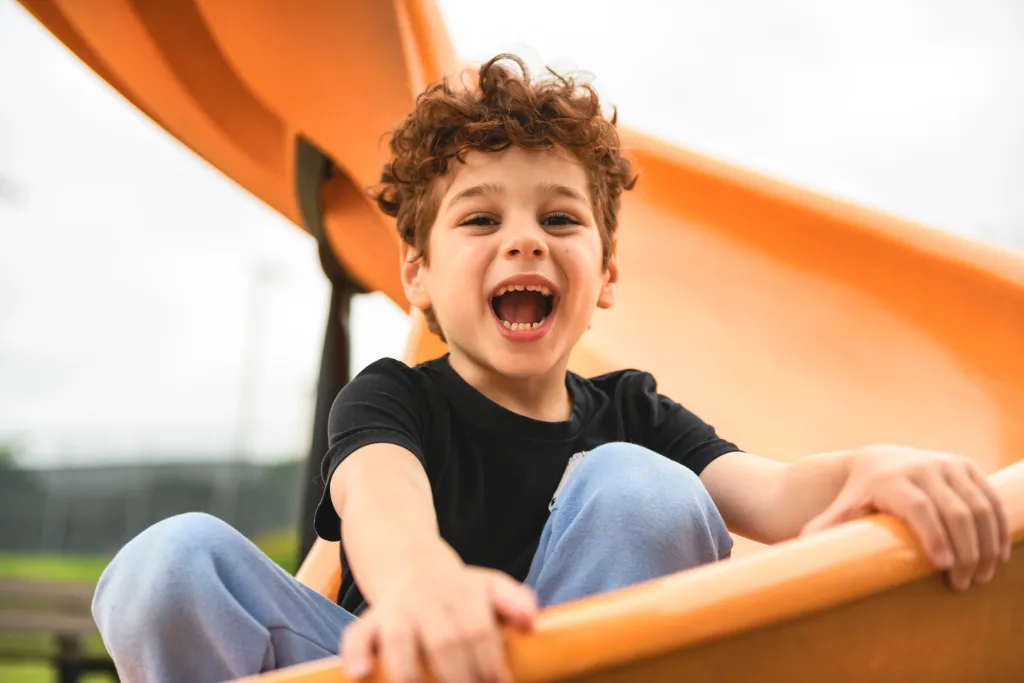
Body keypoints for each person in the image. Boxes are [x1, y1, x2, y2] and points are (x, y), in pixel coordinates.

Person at [92, 54, 1011, 683]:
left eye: (561, 220)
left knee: (640, 489)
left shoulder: (631, 412)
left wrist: (874, 468)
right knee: (164, 562)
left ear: (605, 275)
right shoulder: (392, 396)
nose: (524, 237)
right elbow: (380, 503)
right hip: (386, 659)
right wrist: (422, 587)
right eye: (481, 220)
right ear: (417, 273)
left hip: (573, 654)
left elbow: (775, 494)